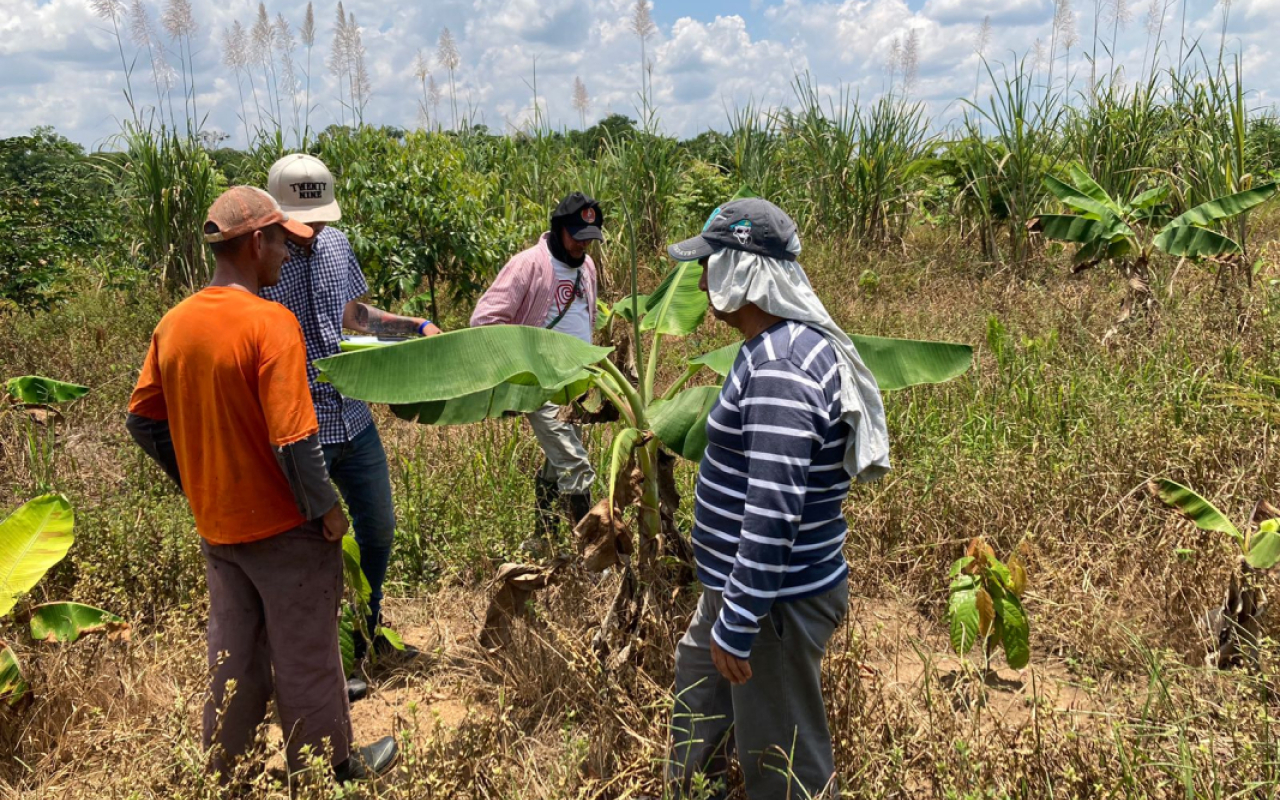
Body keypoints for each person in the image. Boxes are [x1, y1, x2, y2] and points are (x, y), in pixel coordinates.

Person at [125, 186, 396, 782]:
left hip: (219, 529)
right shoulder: (270, 324)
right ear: (255, 243)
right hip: (282, 527)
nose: (285, 255)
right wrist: (325, 513)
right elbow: (294, 441)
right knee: (308, 654)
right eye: (279, 243)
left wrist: (198, 481)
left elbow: (143, 420)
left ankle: (228, 773)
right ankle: (329, 772)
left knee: (234, 657)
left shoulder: (175, 323)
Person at [662, 198, 891, 799]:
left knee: (784, 764)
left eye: (711, 262)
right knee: (697, 697)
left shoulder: (782, 367)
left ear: (743, 272)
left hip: (772, 604)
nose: (704, 277)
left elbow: (774, 510)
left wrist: (738, 622)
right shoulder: (770, 348)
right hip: (743, 590)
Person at [262, 154, 439, 690]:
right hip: (299, 429)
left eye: (318, 218)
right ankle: (319, 658)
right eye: (300, 222)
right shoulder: (262, 259)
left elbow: (352, 317)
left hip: (352, 416)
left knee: (379, 529)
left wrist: (414, 326)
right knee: (310, 547)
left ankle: (365, 629)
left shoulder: (336, 245)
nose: (312, 230)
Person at [470, 192, 603, 557]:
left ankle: (542, 537)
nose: (582, 245)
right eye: (576, 235)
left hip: (578, 382)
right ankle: (590, 559)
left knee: (556, 461)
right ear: (558, 229)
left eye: (590, 238)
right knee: (576, 465)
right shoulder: (528, 264)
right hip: (542, 383)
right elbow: (485, 319)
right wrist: (517, 373)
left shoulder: (587, 268)